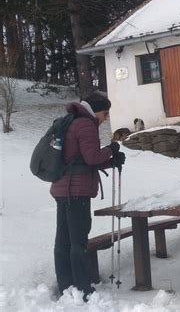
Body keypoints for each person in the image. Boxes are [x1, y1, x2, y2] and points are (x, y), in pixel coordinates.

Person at [50, 92, 126, 301]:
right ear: (96, 110)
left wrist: (111, 161)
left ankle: (66, 285)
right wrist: (111, 149)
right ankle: (83, 288)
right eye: (105, 112)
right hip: (76, 190)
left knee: (64, 239)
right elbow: (91, 157)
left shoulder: (72, 121)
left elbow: (80, 159)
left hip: (62, 187)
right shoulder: (86, 124)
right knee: (78, 240)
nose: (106, 117)